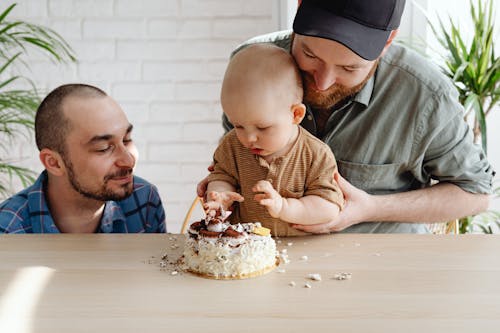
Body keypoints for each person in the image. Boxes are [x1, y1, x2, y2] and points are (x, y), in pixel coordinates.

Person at [199, 0, 494, 234]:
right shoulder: (251, 65)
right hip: (266, 260)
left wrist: (371, 208)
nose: (323, 82)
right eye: (310, 55)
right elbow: (238, 159)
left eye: (349, 68)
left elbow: (476, 193)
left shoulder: (426, 95)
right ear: (299, 7)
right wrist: (223, 184)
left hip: (380, 269)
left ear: (388, 41)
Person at [204, 43, 344, 236]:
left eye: (263, 127)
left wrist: (285, 207)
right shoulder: (232, 145)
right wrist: (219, 196)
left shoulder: (315, 154)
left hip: (301, 250)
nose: (249, 138)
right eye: (238, 125)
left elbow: (329, 207)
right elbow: (222, 176)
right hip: (245, 248)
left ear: (296, 114)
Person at [0, 84, 166, 233]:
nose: (128, 161)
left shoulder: (145, 201)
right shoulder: (8, 230)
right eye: (104, 148)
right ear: (54, 163)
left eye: (126, 139)